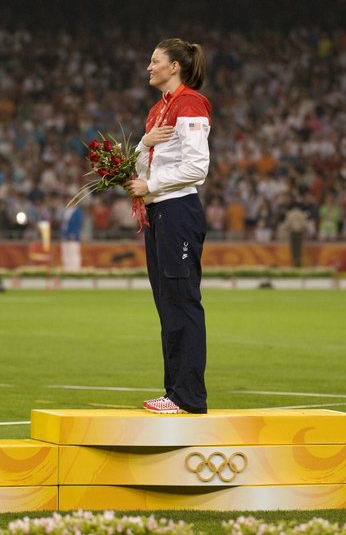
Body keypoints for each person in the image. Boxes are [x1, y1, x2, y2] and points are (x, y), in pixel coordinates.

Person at [124, 38, 211, 414]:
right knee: (167, 304)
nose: (149, 66)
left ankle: (188, 396)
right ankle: (174, 391)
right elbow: (146, 169)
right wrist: (142, 148)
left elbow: (197, 168)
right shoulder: (158, 111)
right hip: (160, 212)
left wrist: (150, 186)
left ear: (174, 66)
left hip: (178, 211)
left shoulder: (189, 104)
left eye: (155, 60)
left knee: (182, 301)